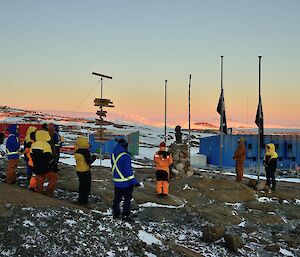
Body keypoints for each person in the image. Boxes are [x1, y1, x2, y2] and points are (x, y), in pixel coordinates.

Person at [111, 138, 141, 221]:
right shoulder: (126, 156)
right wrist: (135, 183)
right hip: (126, 183)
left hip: (117, 182)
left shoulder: (113, 155)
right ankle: (125, 215)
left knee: (117, 199)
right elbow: (128, 172)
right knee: (127, 199)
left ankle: (115, 214)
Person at [31, 130, 58, 196]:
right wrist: (52, 165)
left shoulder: (33, 144)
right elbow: (48, 156)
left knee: (39, 181)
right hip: (45, 167)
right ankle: (48, 192)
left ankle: (39, 194)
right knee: (54, 178)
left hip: (36, 166)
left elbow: (32, 155)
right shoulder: (46, 144)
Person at [74, 136, 96, 205]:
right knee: (86, 186)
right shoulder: (85, 152)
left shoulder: (77, 151)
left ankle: (80, 199)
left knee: (81, 185)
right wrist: (94, 158)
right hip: (85, 171)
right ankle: (84, 200)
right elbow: (89, 161)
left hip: (78, 170)